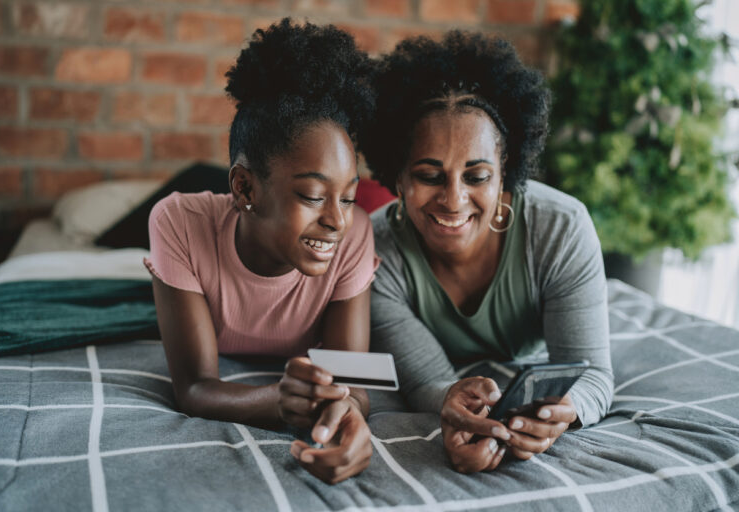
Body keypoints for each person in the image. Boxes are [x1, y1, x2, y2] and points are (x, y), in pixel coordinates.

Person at [361, 31, 613, 473]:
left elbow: (593, 374)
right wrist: (459, 411)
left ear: (505, 176)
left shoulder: (560, 228)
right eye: (429, 175)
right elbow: (429, 381)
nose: (454, 200)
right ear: (397, 178)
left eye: (476, 177)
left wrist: (563, 411)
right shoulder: (377, 254)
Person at [145, 19, 378, 484]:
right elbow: (193, 388)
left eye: (348, 197)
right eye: (313, 195)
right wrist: (278, 402)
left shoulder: (354, 235)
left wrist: (342, 416)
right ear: (245, 186)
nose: (336, 219)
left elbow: (355, 381)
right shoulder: (178, 224)